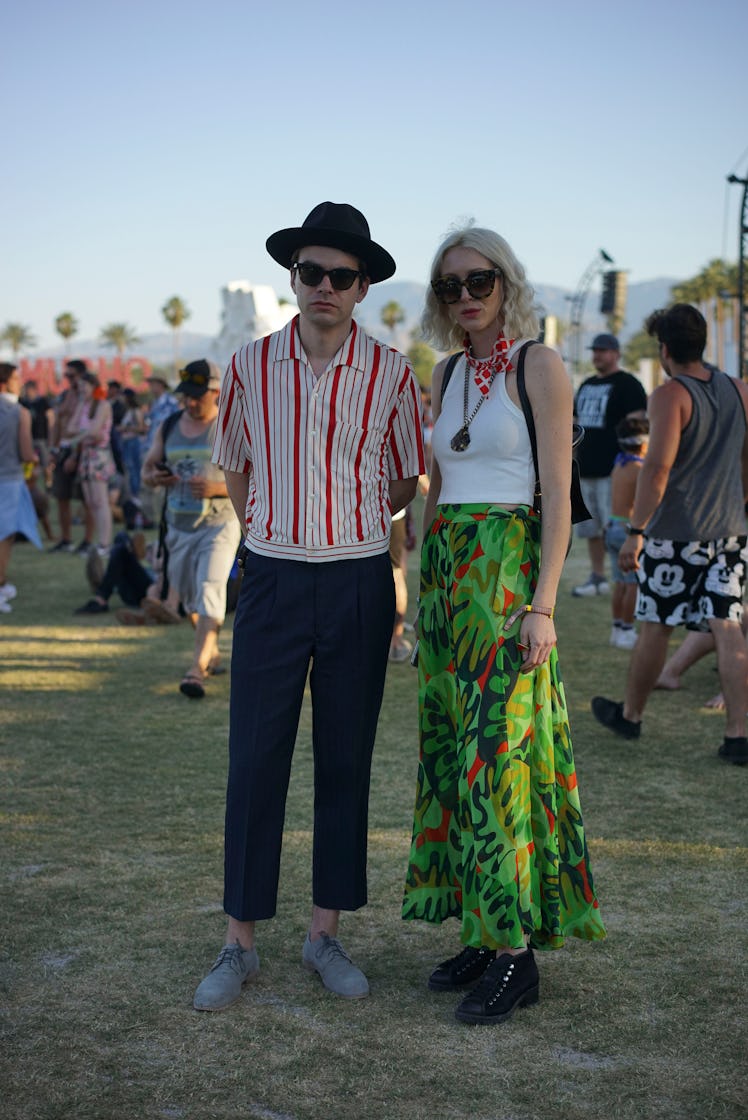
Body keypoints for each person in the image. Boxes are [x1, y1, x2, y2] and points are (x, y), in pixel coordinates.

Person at [194, 201, 424, 1012]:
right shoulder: (250, 365)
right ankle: (238, 943)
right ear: (292, 278)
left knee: (344, 759)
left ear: (362, 287)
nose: (323, 286)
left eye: (341, 275)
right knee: (255, 759)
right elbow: (237, 466)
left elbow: (405, 479)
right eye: (309, 272)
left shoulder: (394, 373)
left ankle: (324, 932)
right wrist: (267, 534)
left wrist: (350, 520)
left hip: (359, 580)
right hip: (275, 578)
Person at [401, 224, 605, 1027]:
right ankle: (484, 934)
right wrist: (418, 590)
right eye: (449, 286)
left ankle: (515, 956)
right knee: (454, 760)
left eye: (477, 280)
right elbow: (436, 487)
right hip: (449, 576)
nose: (465, 296)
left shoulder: (539, 366)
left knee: (499, 763)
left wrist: (544, 605)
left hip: (508, 577)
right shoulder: (448, 371)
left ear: (505, 281)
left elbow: (557, 500)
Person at [592, 304, 748, 766]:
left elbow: (656, 468)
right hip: (731, 530)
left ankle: (632, 715)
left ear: (664, 348)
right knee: (729, 627)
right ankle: (739, 733)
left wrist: (636, 532)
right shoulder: (739, 389)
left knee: (656, 624)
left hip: (676, 532)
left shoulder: (670, 395)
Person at [141, 359, 241, 699]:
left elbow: (258, 477)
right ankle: (210, 650)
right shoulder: (169, 425)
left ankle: (196, 669)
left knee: (211, 587)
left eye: (198, 395)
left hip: (220, 524)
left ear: (217, 392)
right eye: (187, 395)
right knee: (189, 599)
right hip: (178, 525)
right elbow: (147, 470)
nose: (191, 402)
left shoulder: (232, 426)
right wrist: (156, 478)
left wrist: (217, 489)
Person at [572, 333, 647, 597]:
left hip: (615, 470)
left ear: (616, 353)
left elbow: (638, 426)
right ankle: (597, 578)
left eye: (603, 350)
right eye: (595, 350)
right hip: (585, 469)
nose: (597, 355)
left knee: (616, 527)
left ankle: (626, 579)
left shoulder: (629, 384)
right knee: (590, 529)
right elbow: (575, 422)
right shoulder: (586, 384)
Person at [0, 362, 42, 613]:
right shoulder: (19, 412)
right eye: (16, 378)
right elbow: (27, 452)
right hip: (9, 478)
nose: (20, 382)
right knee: (5, 535)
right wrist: (35, 460)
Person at [606, 417, 649, 649]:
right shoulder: (639, 469)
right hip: (627, 531)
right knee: (633, 584)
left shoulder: (619, 463)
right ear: (644, 444)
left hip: (613, 526)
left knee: (620, 582)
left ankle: (616, 629)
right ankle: (627, 629)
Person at [48, 360, 94, 553]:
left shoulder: (88, 399)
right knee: (61, 496)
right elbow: (58, 423)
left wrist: (75, 455)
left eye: (71, 376)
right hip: (63, 449)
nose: (68, 379)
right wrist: (53, 449)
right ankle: (66, 540)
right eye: (66, 376)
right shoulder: (65, 396)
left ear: (82, 375)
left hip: (80, 451)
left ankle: (87, 541)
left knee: (86, 499)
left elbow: (86, 428)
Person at [69, 371, 116, 556]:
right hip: (87, 456)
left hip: (99, 456)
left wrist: (78, 437)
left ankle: (105, 543)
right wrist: (80, 405)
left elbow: (96, 432)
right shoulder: (85, 405)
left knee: (100, 501)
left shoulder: (103, 405)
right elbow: (70, 428)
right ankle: (100, 542)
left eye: (84, 386)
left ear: (93, 386)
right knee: (91, 502)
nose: (81, 390)